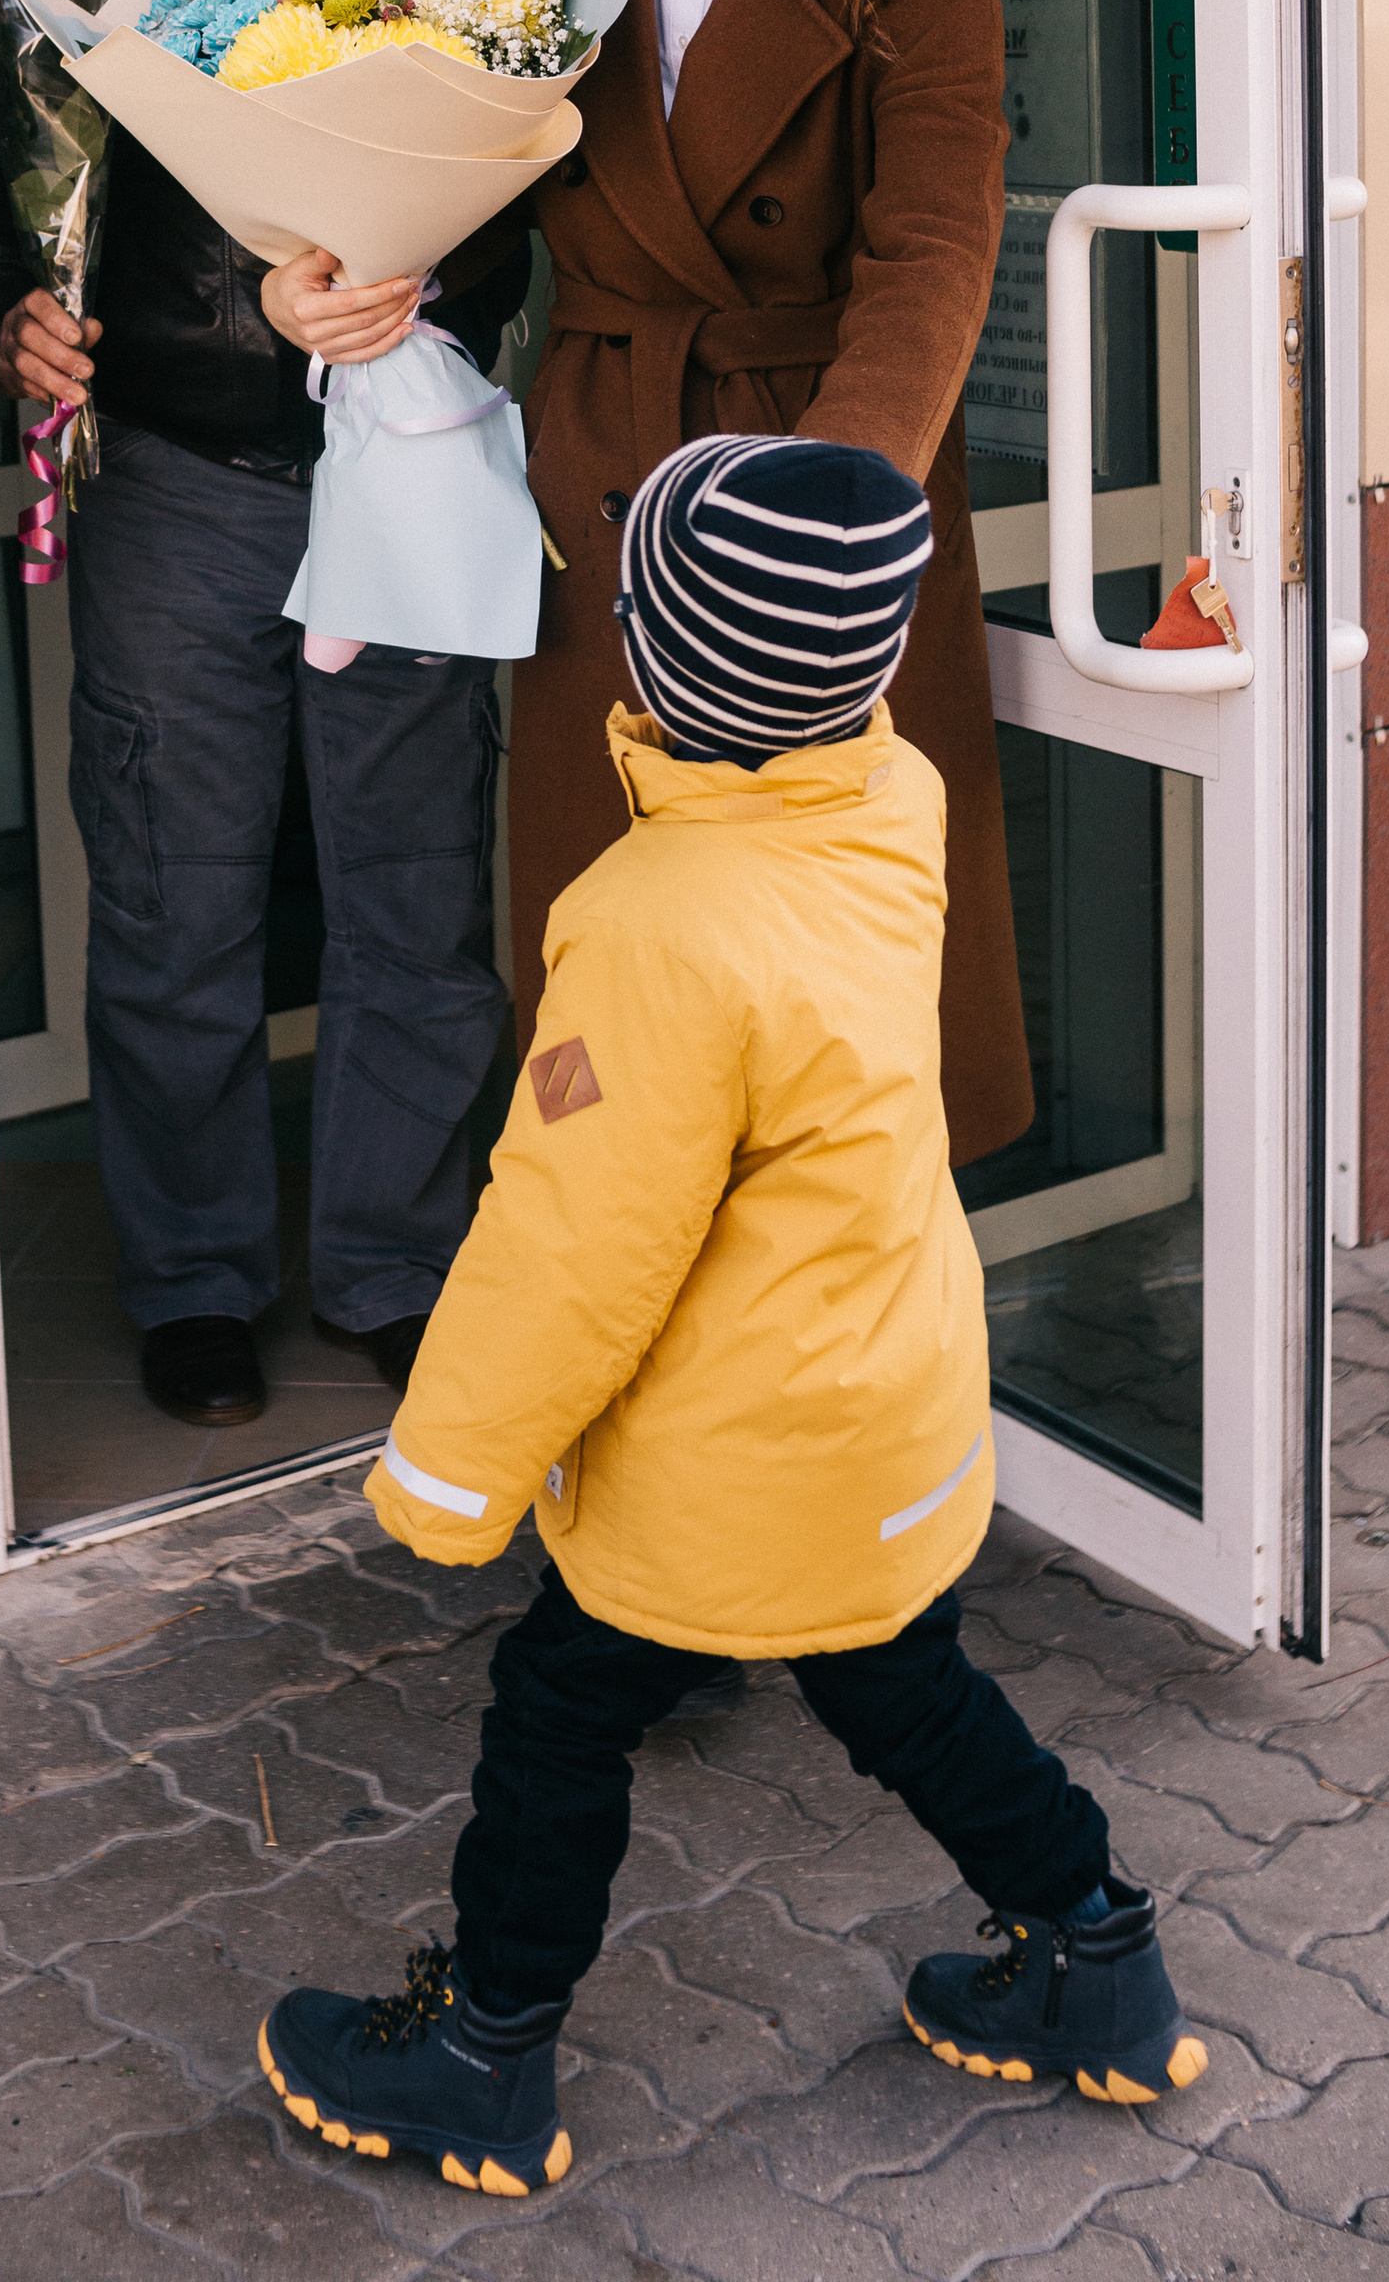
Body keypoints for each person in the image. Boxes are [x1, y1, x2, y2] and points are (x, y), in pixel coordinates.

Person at [256, 433, 1202, 2196]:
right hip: (884, 1393)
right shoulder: (887, 793)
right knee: (902, 1683)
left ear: (653, 657)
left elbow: (572, 1248)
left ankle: (484, 2056)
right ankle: (1099, 1947)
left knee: (560, 1710)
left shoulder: (652, 922)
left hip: (730, 1450)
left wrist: (447, 1477)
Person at [0, 0, 533, 1430]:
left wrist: (422, 280)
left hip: (405, 455)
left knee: (408, 895)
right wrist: (2, 323)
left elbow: (539, 172)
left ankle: (391, 1263)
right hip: (178, 487)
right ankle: (193, 1276)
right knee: (174, 896)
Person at [505, 0, 1031, 1160]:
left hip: (822, 477)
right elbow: (442, 161)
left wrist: (828, 507)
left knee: (829, 985)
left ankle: (828, 1345)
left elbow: (934, 237)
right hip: (603, 464)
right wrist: (338, 274)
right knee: (614, 967)